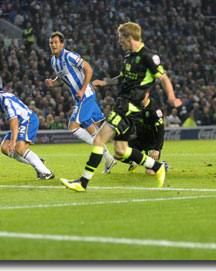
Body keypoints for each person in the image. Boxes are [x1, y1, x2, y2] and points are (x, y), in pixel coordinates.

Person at [60, 22, 182, 192]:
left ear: (130, 37)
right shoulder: (128, 56)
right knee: (120, 151)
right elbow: (122, 77)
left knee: (99, 140)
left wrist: (172, 97)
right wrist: (105, 82)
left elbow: (163, 78)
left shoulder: (148, 57)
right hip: (123, 104)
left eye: (121, 38)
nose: (119, 42)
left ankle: (83, 182)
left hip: (128, 108)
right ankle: (157, 167)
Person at [45, 31, 116, 174]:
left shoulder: (70, 56)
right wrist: (52, 83)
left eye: (56, 42)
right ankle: (110, 158)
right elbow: (61, 79)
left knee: (73, 126)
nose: (53, 45)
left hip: (86, 95)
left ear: (62, 44)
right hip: (81, 97)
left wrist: (83, 89)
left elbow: (89, 69)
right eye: (51, 43)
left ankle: (126, 151)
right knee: (96, 128)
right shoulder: (54, 61)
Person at [125, 96, 165, 175]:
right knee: (119, 153)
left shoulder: (154, 109)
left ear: (147, 94)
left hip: (151, 142)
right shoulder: (134, 106)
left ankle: (162, 165)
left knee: (150, 172)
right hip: (137, 139)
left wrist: (157, 149)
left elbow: (161, 130)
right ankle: (134, 162)